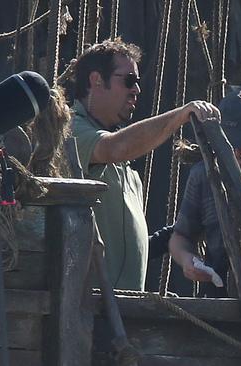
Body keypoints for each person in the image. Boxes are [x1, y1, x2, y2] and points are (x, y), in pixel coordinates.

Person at [71, 38, 219, 290]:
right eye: (128, 80)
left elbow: (123, 247)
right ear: (96, 80)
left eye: (137, 82)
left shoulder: (125, 165)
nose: (136, 90)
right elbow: (114, 147)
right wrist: (182, 114)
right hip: (88, 307)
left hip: (123, 308)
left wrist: (176, 236)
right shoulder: (73, 130)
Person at [168, 89, 241, 297]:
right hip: (219, 295)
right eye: (231, 146)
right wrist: (189, 261)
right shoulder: (204, 175)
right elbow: (180, 237)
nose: (238, 153)